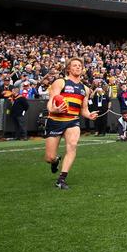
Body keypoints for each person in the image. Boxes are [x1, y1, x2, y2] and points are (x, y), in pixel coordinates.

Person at [44, 57, 98, 189]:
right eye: (74, 65)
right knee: (49, 157)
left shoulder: (85, 89)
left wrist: (89, 115)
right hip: (55, 120)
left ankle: (61, 179)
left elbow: (83, 110)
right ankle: (55, 161)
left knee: (72, 145)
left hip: (72, 121)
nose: (78, 67)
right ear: (68, 68)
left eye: (80, 65)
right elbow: (51, 102)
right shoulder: (60, 82)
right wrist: (54, 109)